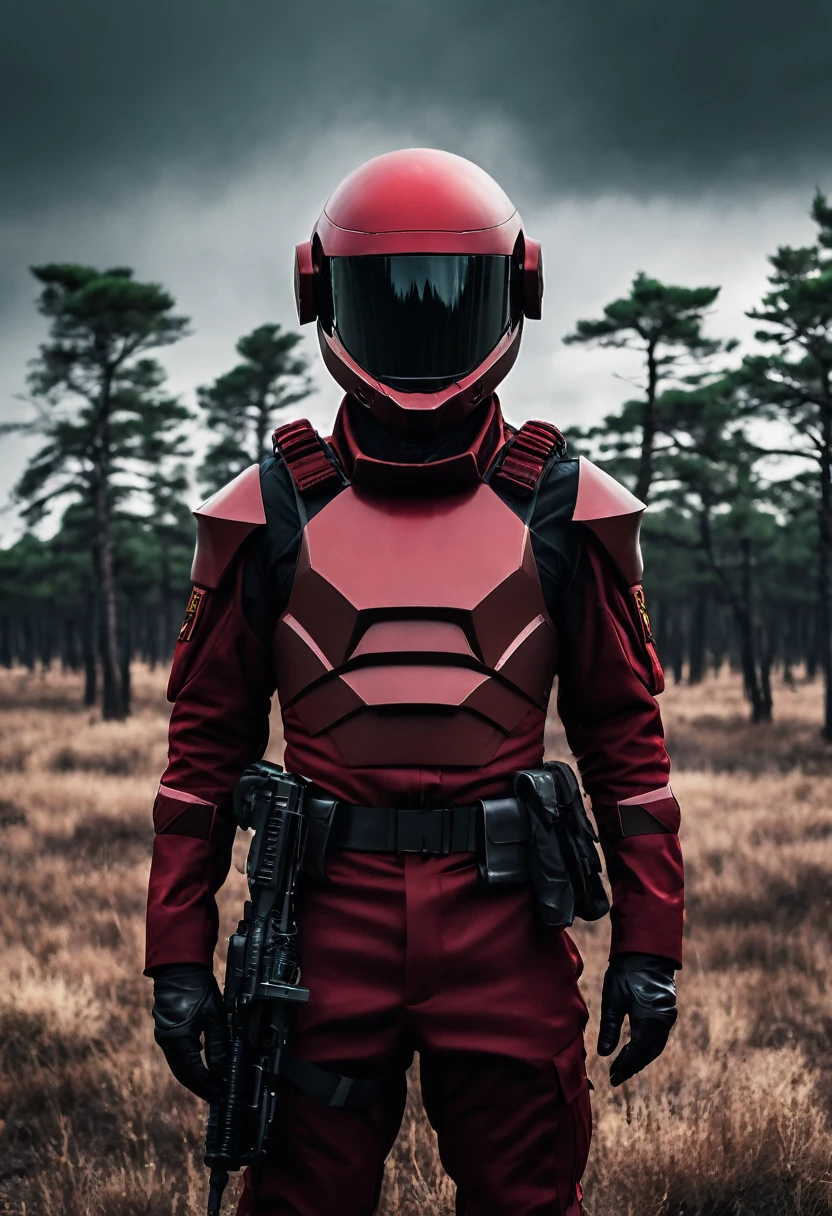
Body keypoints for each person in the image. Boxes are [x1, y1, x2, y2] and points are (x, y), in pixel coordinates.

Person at [146, 148, 683, 1216]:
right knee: (301, 1198)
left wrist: (650, 944)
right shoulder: (271, 508)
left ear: (511, 289)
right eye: (391, 295)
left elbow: (628, 745)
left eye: (448, 294)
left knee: (529, 1196)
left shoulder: (562, 504)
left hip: (506, 924)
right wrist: (177, 955)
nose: (421, 325)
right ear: (325, 293)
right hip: (319, 923)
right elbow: (201, 757)